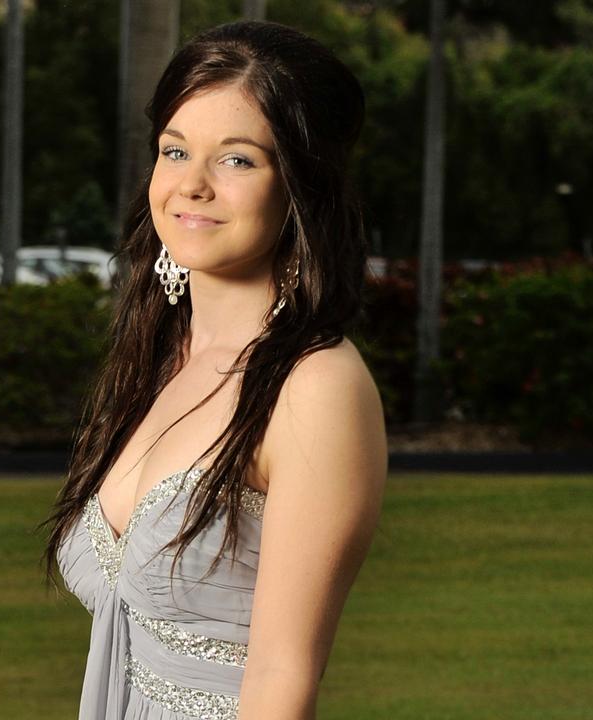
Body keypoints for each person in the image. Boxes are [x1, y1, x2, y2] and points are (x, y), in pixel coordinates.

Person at [45, 21, 387, 720]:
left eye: (236, 161)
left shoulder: (315, 387)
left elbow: (282, 675)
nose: (191, 186)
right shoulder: (157, 361)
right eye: (175, 151)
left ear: (299, 187)